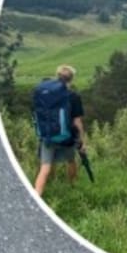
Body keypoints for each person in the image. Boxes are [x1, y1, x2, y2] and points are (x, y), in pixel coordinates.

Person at [34, 65, 86, 198]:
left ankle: (37, 195)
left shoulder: (46, 94)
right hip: (66, 136)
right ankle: (72, 187)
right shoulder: (73, 96)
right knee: (71, 161)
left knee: (45, 167)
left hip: (47, 135)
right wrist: (82, 140)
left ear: (57, 76)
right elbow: (77, 121)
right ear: (71, 79)